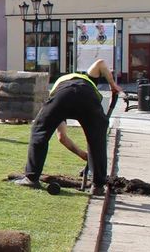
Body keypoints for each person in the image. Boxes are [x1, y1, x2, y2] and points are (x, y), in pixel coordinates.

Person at [15, 58, 122, 196]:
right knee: (97, 139)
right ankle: (98, 186)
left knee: (39, 131)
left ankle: (31, 178)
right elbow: (100, 62)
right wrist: (112, 85)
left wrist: (83, 155)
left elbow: (62, 137)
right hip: (88, 98)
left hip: (62, 97)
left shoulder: (59, 86)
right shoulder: (88, 77)